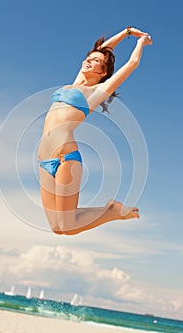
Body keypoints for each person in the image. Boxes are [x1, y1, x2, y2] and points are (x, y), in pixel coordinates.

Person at [37, 26, 152, 235]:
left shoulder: (96, 92)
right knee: (56, 227)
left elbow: (132, 63)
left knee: (68, 226)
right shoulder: (73, 83)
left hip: (65, 157)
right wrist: (126, 32)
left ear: (104, 73)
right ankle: (110, 210)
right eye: (89, 57)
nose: (89, 60)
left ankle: (112, 211)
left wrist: (140, 42)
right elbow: (102, 51)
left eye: (96, 61)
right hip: (43, 161)